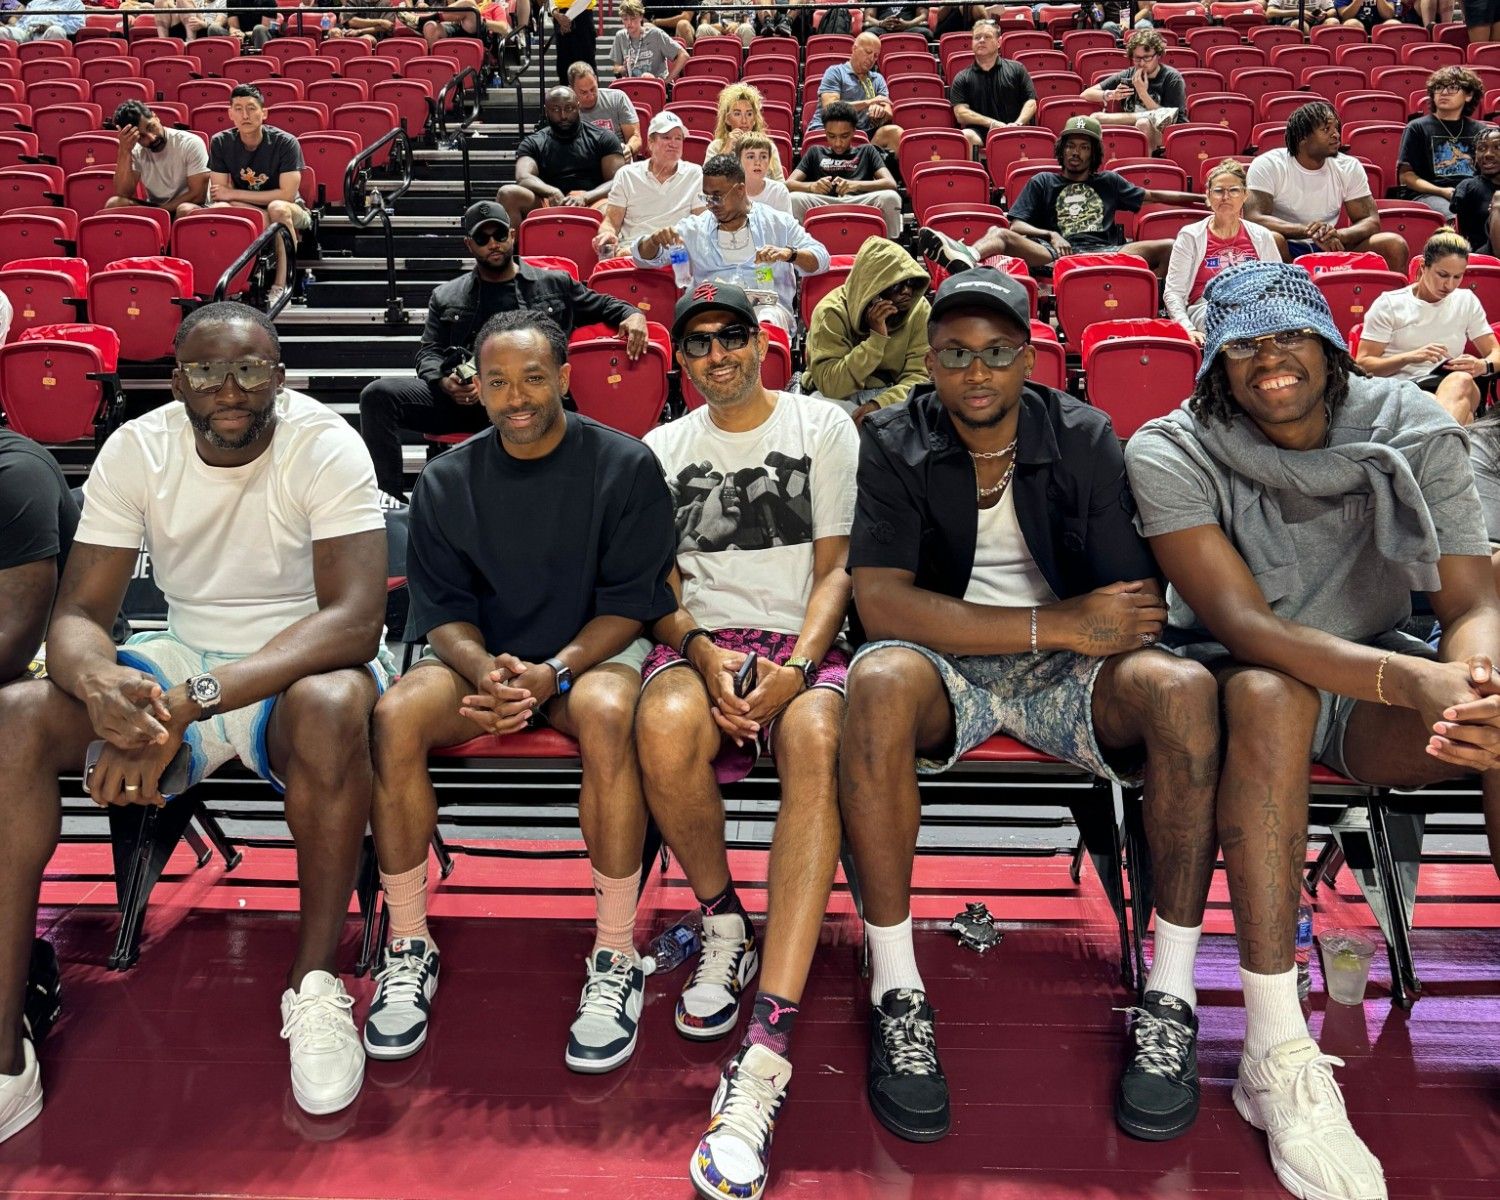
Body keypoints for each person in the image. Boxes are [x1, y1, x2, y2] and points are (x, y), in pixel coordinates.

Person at [1125, 258, 1500, 1200]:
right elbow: (1247, 628)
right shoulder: (1172, 447)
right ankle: (1275, 1048)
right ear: (1215, 364)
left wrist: (1478, 678)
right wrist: (1416, 679)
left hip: (1387, 677)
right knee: (1262, 690)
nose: (1269, 361)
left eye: (1290, 336)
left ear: (1333, 349)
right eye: (1242, 345)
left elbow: (1471, 597)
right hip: (1253, 679)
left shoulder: (1411, 425)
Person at [839, 268, 1220, 1150]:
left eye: (1000, 354)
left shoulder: (1085, 435)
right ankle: (897, 987)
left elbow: (1132, 607)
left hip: (1071, 673)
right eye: (957, 356)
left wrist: (1072, 635)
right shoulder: (892, 439)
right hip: (952, 667)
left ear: (1031, 355)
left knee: (1184, 690)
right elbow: (884, 607)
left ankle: (1170, 993)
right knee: (878, 680)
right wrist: (1051, 623)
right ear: (928, 362)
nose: (979, 374)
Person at [0, 302, 391, 1138]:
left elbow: (355, 620)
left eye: (252, 369)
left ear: (279, 375)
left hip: (298, 657)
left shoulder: (324, 442)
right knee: (21, 716)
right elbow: (77, 616)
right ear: (176, 379)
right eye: (206, 372)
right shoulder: (138, 447)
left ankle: (315, 986)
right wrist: (104, 688)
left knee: (333, 701)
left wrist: (195, 702)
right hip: (178, 648)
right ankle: (5, 1044)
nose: (230, 391)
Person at [363, 308, 675, 1070]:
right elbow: (443, 615)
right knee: (396, 714)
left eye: (534, 377)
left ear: (566, 378)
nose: (518, 396)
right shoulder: (446, 478)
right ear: (476, 387)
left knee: (607, 712)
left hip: (583, 661)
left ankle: (613, 954)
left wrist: (550, 675)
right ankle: (408, 943)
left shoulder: (627, 465)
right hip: (483, 667)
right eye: (497, 382)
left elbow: (631, 603)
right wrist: (488, 674)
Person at [633, 282, 859, 1200]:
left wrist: (799, 669)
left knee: (817, 737)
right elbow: (661, 585)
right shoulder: (658, 452)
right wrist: (706, 655)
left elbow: (837, 567)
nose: (717, 355)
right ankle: (724, 917)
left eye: (733, 338)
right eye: (698, 344)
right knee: (665, 719)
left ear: (763, 343)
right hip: (704, 644)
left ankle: (769, 1035)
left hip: (805, 648)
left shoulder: (824, 427)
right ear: (678, 361)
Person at [358, 201, 648, 500]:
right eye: (482, 239)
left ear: (512, 235)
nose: (493, 244)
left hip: (531, 398)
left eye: (499, 235)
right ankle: (388, 501)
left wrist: (634, 315)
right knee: (378, 395)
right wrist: (446, 383)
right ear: (469, 245)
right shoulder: (447, 296)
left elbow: (605, 305)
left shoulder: (553, 283)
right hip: (469, 399)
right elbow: (428, 353)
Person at [917, 116, 1204, 277]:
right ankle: (968, 256)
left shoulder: (1108, 182)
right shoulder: (1043, 181)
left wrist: (1203, 200)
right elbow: (1016, 226)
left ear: (1094, 153)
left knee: (1169, 245)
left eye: (1083, 147)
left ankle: (1152, 295)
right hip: (1054, 254)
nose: (1075, 153)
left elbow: (1153, 195)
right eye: (1070, 146)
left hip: (1107, 252)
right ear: (1061, 149)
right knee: (999, 232)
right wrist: (1051, 234)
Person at [632, 155, 829, 331]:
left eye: (717, 197)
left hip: (766, 311)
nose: (710, 204)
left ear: (740, 190)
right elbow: (643, 259)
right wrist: (654, 240)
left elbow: (822, 258)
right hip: (712, 312)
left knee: (766, 321)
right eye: (706, 196)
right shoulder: (694, 228)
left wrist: (789, 254)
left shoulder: (777, 223)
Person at [1354, 229, 1500, 426]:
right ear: (1424, 266)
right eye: (1442, 275)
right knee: (1461, 416)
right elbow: (1363, 364)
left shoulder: (1466, 300)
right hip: (1404, 389)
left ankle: (1435, 440)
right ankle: (1445, 442)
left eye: (1458, 277)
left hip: (1451, 382)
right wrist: (1409, 357)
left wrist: (1482, 365)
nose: (1449, 285)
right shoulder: (1390, 304)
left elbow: (1495, 352)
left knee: (1461, 381)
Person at [1245, 102, 1410, 274]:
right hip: (1289, 243)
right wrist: (1308, 231)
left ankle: (1385, 300)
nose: (1336, 135)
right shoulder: (1269, 164)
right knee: (1273, 239)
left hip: (1332, 243)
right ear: (1303, 138)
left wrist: (1339, 235)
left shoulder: (1348, 166)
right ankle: (1292, 294)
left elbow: (1371, 221)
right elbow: (1254, 217)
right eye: (1326, 129)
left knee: (1393, 245)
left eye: (1336, 128)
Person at [190, 85, 312, 307]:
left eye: (251, 108)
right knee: (212, 212)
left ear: (263, 113)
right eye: (238, 108)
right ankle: (217, 288)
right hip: (246, 208)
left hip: (293, 208)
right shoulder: (220, 142)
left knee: (277, 208)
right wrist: (238, 201)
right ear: (230, 114)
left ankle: (282, 285)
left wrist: (235, 194)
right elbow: (220, 194)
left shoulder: (285, 142)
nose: (245, 115)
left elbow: (287, 194)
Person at [800, 237, 930, 421]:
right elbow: (831, 387)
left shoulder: (919, 310)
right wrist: (876, 341)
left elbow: (919, 379)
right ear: (872, 288)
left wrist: (881, 405)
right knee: (823, 417)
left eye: (912, 283)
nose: (907, 292)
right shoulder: (830, 312)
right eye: (897, 285)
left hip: (893, 393)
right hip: (837, 397)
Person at [1165, 159, 1285, 342]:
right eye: (1219, 191)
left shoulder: (1262, 236)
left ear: (1245, 195)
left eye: (1234, 190)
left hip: (1256, 306)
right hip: (1207, 307)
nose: (1225, 197)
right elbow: (1173, 292)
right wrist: (1187, 328)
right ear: (1208, 196)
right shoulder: (1190, 236)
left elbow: (1278, 286)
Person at [498, 85, 627, 232]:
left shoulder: (603, 137)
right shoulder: (533, 142)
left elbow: (619, 179)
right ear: (546, 111)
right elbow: (523, 177)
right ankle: (516, 253)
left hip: (593, 199)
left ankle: (607, 253)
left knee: (608, 208)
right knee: (507, 193)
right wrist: (551, 192)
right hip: (548, 199)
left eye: (569, 108)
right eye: (556, 109)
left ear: (578, 107)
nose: (563, 115)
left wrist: (586, 197)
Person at [593, 112, 704, 260]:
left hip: (675, 254)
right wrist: (606, 233)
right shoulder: (627, 174)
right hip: (631, 251)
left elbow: (701, 222)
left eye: (678, 138)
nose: (674, 143)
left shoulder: (695, 174)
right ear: (650, 142)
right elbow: (611, 222)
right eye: (666, 137)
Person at [787, 102, 903, 238]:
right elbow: (788, 184)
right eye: (832, 136)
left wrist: (855, 185)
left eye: (844, 136)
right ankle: (800, 249)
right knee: (793, 199)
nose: (838, 143)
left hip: (859, 201)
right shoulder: (815, 152)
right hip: (824, 201)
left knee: (891, 198)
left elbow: (890, 183)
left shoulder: (867, 150)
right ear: (825, 131)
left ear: (854, 131)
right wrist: (812, 186)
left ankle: (891, 247)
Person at [1397, 67, 1488, 219]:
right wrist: (1442, 191)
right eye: (1438, 88)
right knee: (1455, 215)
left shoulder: (1480, 130)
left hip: (1471, 192)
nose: (1444, 93)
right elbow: (1406, 176)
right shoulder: (1417, 127)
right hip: (1429, 194)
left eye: (1452, 88)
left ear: (1469, 95)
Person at [1081, 29, 1186, 155]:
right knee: (1094, 119)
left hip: (1167, 132)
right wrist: (1111, 94)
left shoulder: (1172, 78)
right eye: (1137, 58)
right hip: (1131, 127)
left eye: (1147, 58)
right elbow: (1086, 93)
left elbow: (1169, 120)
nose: (1141, 63)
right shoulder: (1129, 74)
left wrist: (1142, 93)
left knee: (1143, 124)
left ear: (1158, 55)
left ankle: (1146, 168)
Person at [107, 101, 211, 218]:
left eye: (151, 127)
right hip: (156, 206)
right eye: (141, 136)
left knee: (184, 210)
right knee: (115, 203)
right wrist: (124, 151)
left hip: (190, 206)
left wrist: (160, 212)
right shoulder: (136, 150)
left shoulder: (190, 143)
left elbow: (198, 195)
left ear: (155, 117)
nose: (152, 138)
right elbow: (123, 193)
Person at [809, 31, 903, 157]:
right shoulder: (835, 72)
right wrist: (868, 103)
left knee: (895, 132)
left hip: (862, 136)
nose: (871, 59)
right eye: (868, 52)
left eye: (875, 56)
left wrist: (880, 111)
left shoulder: (877, 78)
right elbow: (830, 108)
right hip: (829, 131)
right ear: (854, 48)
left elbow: (888, 111)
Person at [949, 20, 1037, 151]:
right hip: (980, 133)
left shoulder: (1017, 69)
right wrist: (992, 124)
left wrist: (1018, 123)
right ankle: (973, 172)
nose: (982, 40)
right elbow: (961, 113)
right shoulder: (962, 77)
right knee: (965, 135)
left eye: (988, 37)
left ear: (999, 42)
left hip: (1014, 128)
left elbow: (1031, 102)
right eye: (977, 37)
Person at [706, 84, 787, 180]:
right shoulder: (716, 146)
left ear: (754, 120)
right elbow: (707, 182)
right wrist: (726, 150)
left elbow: (780, 184)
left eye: (749, 114)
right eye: (737, 114)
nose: (744, 120)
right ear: (727, 119)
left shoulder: (769, 146)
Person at [570, 63, 642, 160]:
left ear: (596, 79)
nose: (590, 95)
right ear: (572, 89)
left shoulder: (617, 98)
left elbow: (635, 136)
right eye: (583, 92)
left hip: (617, 159)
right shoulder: (568, 110)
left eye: (593, 89)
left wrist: (629, 149)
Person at [610, 0, 687, 80]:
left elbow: (683, 55)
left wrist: (666, 81)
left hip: (655, 85)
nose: (629, 23)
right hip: (632, 85)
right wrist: (622, 69)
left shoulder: (655, 34)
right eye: (625, 19)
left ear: (641, 17)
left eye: (633, 18)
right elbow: (616, 67)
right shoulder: (620, 36)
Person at [1453, 126, 1500, 254]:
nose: (1488, 154)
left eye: (1497, 147)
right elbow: (1463, 236)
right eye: (1481, 149)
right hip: (1484, 256)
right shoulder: (1469, 187)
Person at [737, 134, 791, 213]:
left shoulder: (779, 191)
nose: (758, 162)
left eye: (763, 157)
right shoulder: (728, 192)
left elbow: (787, 225)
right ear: (739, 161)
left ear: (769, 161)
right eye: (751, 157)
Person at [552, 0, 597, 84]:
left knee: (586, 68)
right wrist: (554, 12)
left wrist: (566, 18)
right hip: (559, 15)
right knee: (563, 68)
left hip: (582, 13)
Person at [0, 0, 83, 40]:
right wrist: (13, 27)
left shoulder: (74, 2)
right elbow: (21, 23)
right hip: (27, 33)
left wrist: (51, 25)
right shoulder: (34, 2)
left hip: (48, 33)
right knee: (2, 31)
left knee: (56, 30)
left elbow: (78, 24)